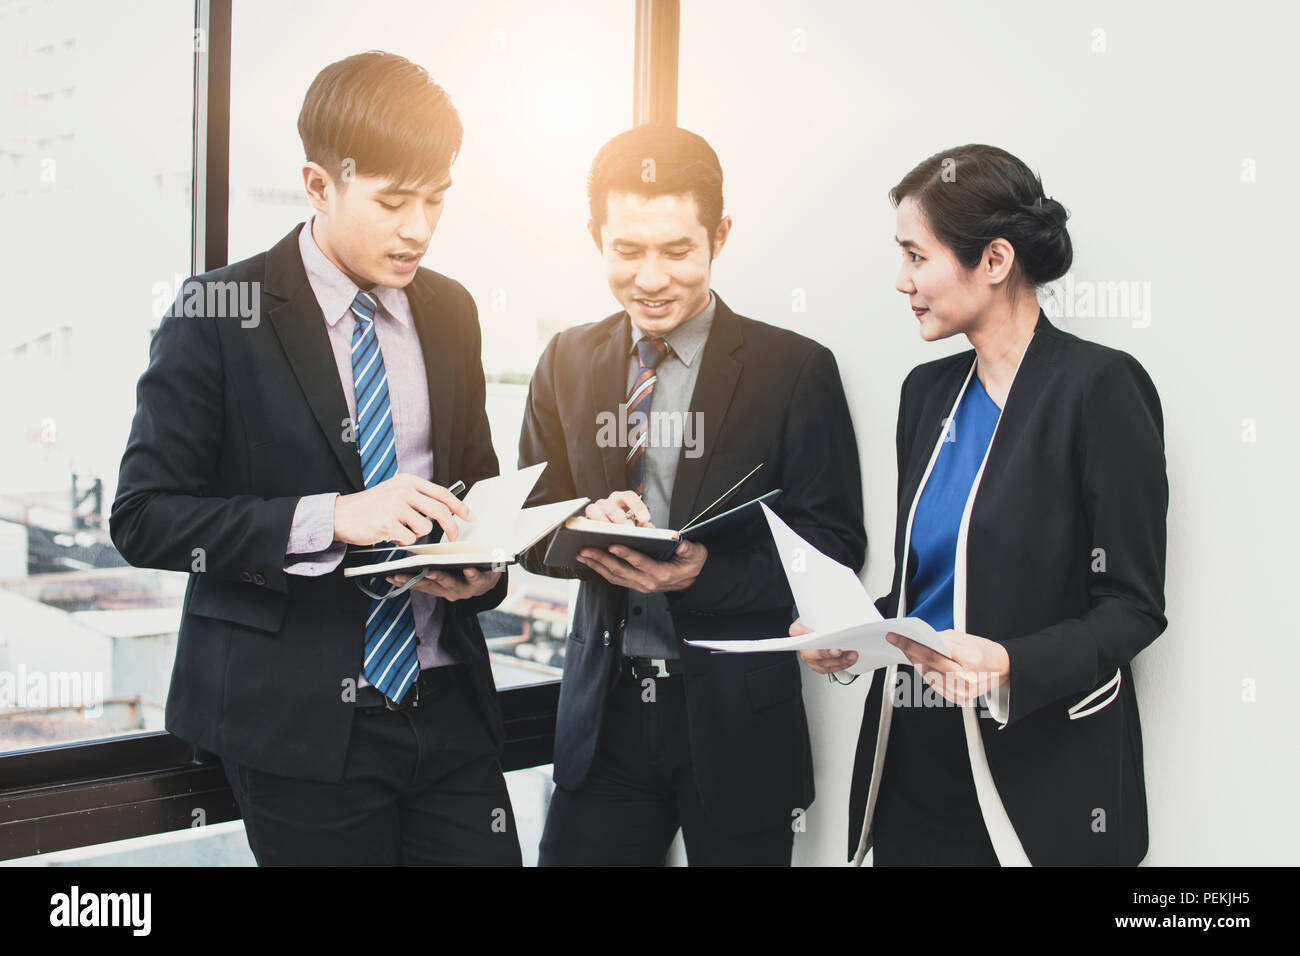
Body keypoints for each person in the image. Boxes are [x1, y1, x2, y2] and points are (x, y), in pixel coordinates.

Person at [109, 51, 521, 866]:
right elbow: (143, 516)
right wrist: (329, 517)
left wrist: (482, 568)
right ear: (319, 184)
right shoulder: (217, 313)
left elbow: (474, 481)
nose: (419, 229)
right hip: (296, 726)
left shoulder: (450, 311)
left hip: (445, 702)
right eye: (394, 202)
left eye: (437, 200)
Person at [800, 144, 1167, 866]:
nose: (902, 281)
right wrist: (855, 629)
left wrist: (1008, 662)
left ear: (994, 261)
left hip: (1037, 762)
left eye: (916, 256)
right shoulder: (925, 395)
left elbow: (1132, 606)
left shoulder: (1099, 389)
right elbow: (930, 585)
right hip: (912, 758)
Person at [517, 123, 866, 865]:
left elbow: (833, 546)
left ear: (720, 236)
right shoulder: (566, 359)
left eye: (677, 251)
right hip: (603, 721)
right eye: (627, 250)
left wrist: (703, 572)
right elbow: (528, 526)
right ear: (595, 236)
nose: (650, 278)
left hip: (740, 725)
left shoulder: (794, 370)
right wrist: (581, 524)